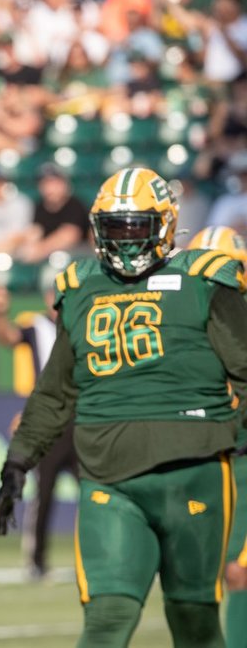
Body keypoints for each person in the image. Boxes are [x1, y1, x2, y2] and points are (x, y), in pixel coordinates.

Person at [0, 167, 247, 648]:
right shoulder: (82, 285)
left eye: (136, 228)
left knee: (194, 620)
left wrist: (236, 438)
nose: (126, 241)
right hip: (108, 475)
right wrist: (19, 457)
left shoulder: (203, 279)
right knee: (107, 618)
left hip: (193, 471)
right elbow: (55, 390)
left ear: (165, 226)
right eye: (114, 229)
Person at [0, 275, 77, 581]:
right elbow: (6, 337)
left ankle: (95, 556)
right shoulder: (36, 325)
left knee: (97, 494)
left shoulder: (84, 322)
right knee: (44, 493)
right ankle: (37, 561)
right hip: (50, 419)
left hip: (82, 418)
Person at [186, 225, 247, 648]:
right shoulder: (177, 321)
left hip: (243, 458)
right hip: (202, 459)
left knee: (240, 573)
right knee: (199, 577)